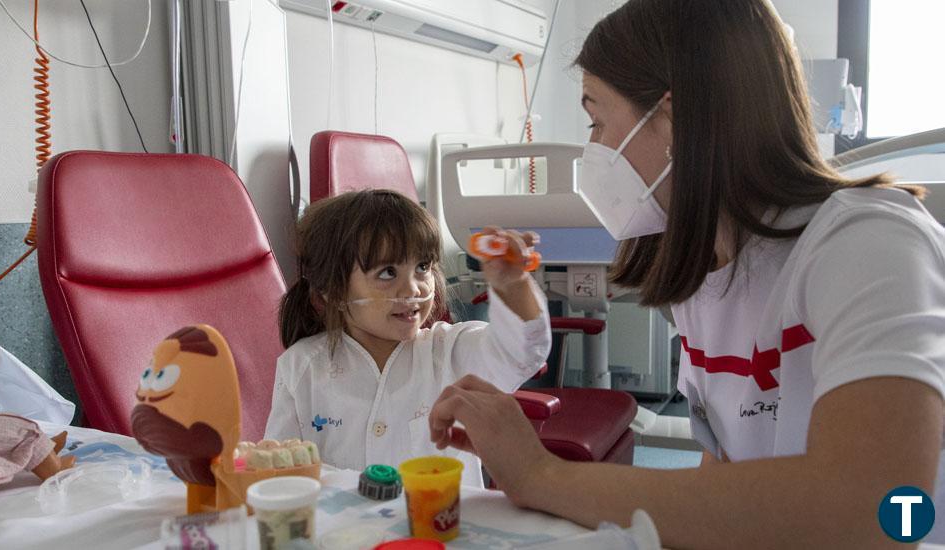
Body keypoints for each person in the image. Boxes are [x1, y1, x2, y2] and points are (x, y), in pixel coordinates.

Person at [427, 0, 945, 546]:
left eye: (597, 121)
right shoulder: (709, 277)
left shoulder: (866, 242)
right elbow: (730, 492)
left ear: (673, 117)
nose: (594, 148)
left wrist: (539, 474)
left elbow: (876, 508)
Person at [264, 189, 551, 487]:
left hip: (441, 529)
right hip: (345, 532)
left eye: (422, 267)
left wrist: (514, 285)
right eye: (388, 273)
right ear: (332, 292)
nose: (414, 289)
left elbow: (521, 353)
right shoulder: (301, 366)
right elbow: (279, 469)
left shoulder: (449, 350)